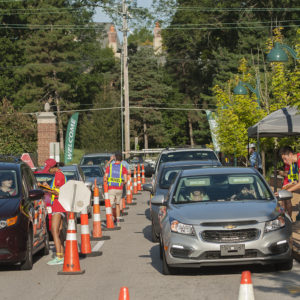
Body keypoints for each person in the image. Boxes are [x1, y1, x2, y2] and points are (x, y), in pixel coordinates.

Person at [38, 159, 67, 265]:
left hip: (58, 206)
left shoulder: (59, 175)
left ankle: (59, 256)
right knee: (58, 231)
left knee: (54, 230)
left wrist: (45, 188)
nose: (48, 171)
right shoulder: (58, 175)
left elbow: (58, 193)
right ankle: (62, 254)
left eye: (48, 169)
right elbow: (57, 190)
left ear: (53, 167)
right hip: (59, 205)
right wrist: (48, 187)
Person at [104, 152, 128, 226]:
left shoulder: (110, 167)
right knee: (117, 204)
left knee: (110, 205)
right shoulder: (123, 168)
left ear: (115, 159)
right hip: (119, 189)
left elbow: (105, 177)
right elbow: (126, 180)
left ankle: (110, 219)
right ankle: (118, 220)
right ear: (121, 160)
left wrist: (107, 182)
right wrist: (121, 183)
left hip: (111, 188)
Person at [277, 146, 300, 219]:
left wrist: (285, 191)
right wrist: (284, 190)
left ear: (290, 154)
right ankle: (287, 219)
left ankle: (288, 219)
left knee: (286, 202)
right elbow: (296, 181)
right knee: (283, 202)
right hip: (287, 184)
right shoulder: (296, 162)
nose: (284, 161)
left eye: (285, 159)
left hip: (287, 184)